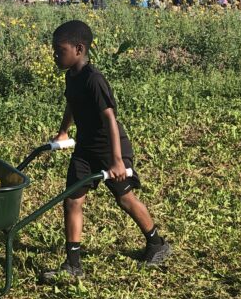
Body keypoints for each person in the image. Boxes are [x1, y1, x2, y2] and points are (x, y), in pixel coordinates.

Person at [42, 20, 173, 280]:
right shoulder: (72, 76)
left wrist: (117, 161)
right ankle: (73, 265)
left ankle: (156, 243)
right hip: (86, 149)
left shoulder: (94, 79)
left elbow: (110, 119)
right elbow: (72, 104)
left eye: (59, 50)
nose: (55, 55)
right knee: (72, 201)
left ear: (78, 49)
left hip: (110, 149)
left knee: (124, 198)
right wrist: (63, 131)